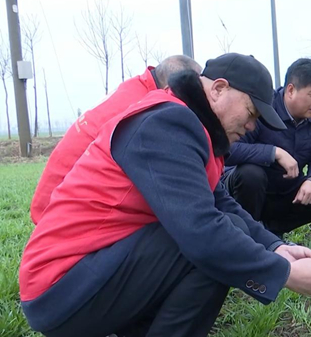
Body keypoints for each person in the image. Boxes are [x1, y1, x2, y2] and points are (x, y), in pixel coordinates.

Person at [19, 53, 311, 337]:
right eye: (250, 113)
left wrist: (277, 247)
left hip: (95, 272)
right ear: (218, 89)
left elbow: (223, 204)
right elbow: (202, 231)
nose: (250, 127)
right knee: (209, 247)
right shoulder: (168, 123)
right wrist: (284, 273)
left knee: (220, 236)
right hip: (60, 288)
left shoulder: (192, 128)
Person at [30, 55, 202, 225]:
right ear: (175, 86)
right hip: (62, 211)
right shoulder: (140, 107)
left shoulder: (135, 88)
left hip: (51, 198)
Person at [223, 58, 311, 238]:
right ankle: (246, 234)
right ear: (291, 90)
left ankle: (271, 232)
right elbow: (229, 150)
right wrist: (273, 152)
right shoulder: (264, 107)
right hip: (248, 189)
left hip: (285, 190)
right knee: (251, 174)